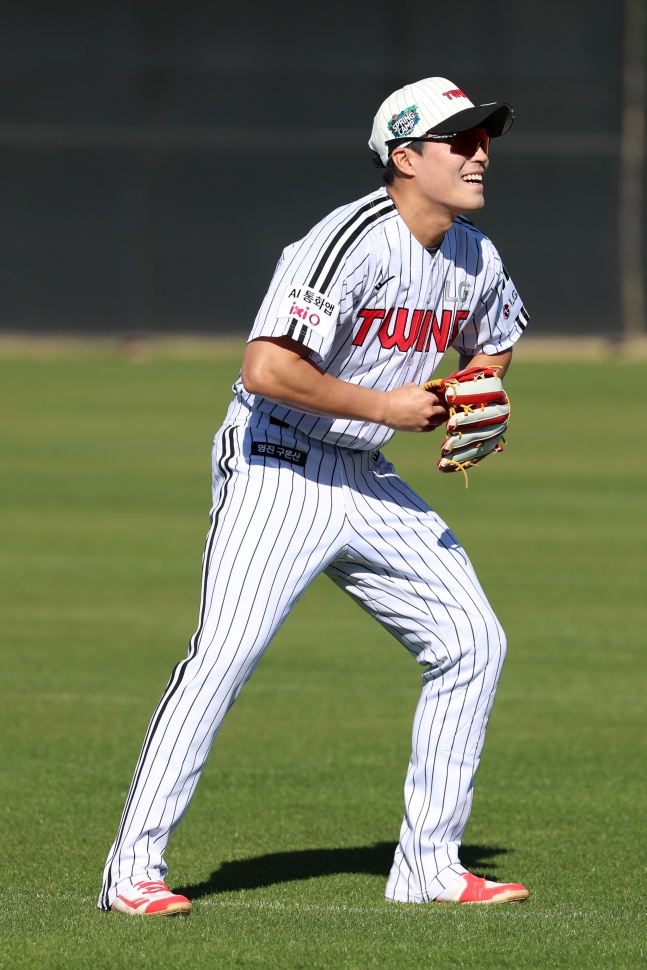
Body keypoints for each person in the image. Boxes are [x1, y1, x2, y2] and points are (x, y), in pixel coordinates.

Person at [99, 76, 530, 916]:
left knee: (471, 641)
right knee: (222, 657)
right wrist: (387, 407)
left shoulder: (474, 254)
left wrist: (474, 387)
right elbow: (267, 368)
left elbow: (498, 338)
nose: (480, 152)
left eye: (484, 137)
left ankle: (428, 866)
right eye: (460, 139)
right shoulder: (349, 240)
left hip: (363, 473)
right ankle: (132, 872)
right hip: (276, 460)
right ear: (404, 158)